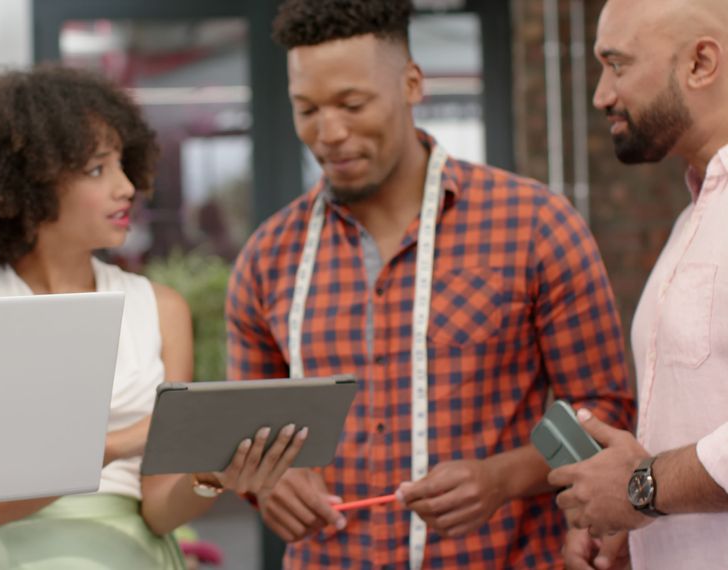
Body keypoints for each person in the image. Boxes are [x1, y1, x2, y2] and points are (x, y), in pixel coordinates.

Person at [224, 0, 636, 567]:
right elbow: (245, 434)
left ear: (413, 84)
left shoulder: (535, 225)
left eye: (352, 103)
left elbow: (603, 411)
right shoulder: (268, 259)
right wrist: (267, 484)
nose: (330, 132)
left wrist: (501, 478)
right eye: (307, 109)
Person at [0, 65, 306, 570]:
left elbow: (161, 510)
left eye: (124, 164)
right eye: (98, 169)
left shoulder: (161, 309)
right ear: (26, 184)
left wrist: (213, 476)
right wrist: (110, 447)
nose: (127, 187)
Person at [549, 1, 728, 568]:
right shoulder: (692, 220)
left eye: (618, 65)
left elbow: (649, 481)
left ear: (701, 62)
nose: (602, 95)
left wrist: (639, 488)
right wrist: (635, 522)